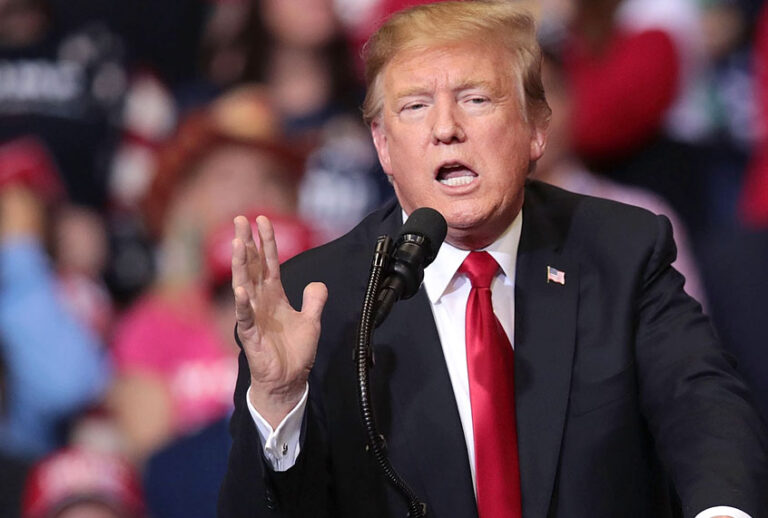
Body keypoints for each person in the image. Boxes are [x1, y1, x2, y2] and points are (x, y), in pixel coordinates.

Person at [220, 2, 768, 517]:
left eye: (476, 99)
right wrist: (280, 404)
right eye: (415, 107)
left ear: (536, 128)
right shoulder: (317, 297)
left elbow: (701, 404)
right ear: (383, 146)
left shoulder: (619, 249)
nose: (445, 128)